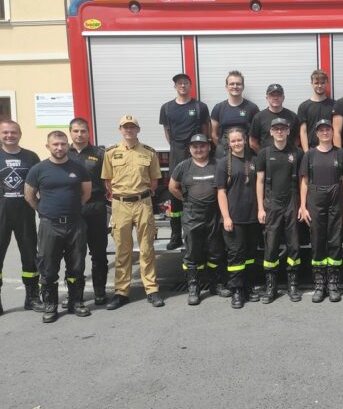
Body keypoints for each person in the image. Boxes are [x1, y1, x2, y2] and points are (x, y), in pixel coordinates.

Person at [0, 120, 44, 322]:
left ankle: (32, 297)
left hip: (24, 212)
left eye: (13, 132)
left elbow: (37, 182)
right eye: (5, 132)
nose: (9, 135)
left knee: (30, 254)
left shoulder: (31, 156)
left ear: (20, 134)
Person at [25, 131, 92, 323]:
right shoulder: (38, 169)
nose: (59, 148)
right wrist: (44, 211)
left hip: (75, 224)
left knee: (77, 265)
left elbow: (85, 194)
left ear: (67, 145)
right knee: (48, 267)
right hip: (49, 226)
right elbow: (29, 195)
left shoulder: (78, 168)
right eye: (55, 144)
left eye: (63, 144)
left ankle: (76, 302)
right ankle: (50, 306)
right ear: (48, 146)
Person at [101, 115, 164, 310]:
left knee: (147, 249)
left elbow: (154, 180)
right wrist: (121, 195)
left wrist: (141, 194)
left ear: (138, 130)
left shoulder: (149, 152)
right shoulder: (111, 153)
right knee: (123, 251)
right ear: (120, 130)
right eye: (125, 127)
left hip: (143, 203)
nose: (128, 130)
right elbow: (108, 181)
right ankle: (121, 292)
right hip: (120, 205)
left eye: (132, 127)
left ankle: (151, 290)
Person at [299, 119, 343, 303]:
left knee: (335, 240)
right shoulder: (309, 155)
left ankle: (333, 283)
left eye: (328, 129)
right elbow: (304, 182)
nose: (325, 133)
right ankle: (320, 284)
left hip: (337, 199)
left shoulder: (341, 154)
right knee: (317, 240)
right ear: (316, 134)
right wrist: (303, 206)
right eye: (321, 130)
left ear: (332, 131)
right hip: (315, 200)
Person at [169, 134, 224, 306]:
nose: (199, 149)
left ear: (208, 147)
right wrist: (185, 199)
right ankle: (194, 286)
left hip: (213, 214)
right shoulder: (183, 166)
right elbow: (173, 187)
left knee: (215, 250)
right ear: (190, 149)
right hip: (193, 215)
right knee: (193, 253)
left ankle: (216, 284)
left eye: (202, 146)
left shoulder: (217, 165)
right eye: (195, 146)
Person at [160, 73, 210, 250]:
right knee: (175, 193)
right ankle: (175, 236)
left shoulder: (200, 107)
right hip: (177, 152)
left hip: (196, 152)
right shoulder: (166, 108)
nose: (183, 85)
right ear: (175, 86)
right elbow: (167, 131)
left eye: (186, 83)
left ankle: (201, 233)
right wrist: (176, 148)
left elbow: (206, 131)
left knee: (199, 190)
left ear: (190, 86)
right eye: (179, 83)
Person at [256, 119, 304, 303]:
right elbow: (259, 182)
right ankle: (271, 287)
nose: (279, 132)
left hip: (292, 201)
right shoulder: (264, 154)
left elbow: (302, 181)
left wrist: (302, 205)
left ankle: (293, 285)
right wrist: (260, 207)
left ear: (288, 131)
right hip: (272, 203)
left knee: (294, 245)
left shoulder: (297, 153)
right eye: (276, 128)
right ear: (271, 131)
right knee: (271, 245)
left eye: (283, 128)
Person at [65, 117, 108, 307]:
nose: (79, 134)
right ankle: (75, 294)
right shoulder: (63, 153)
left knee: (98, 253)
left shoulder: (100, 154)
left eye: (83, 131)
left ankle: (100, 292)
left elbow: (109, 180)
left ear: (89, 132)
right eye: (76, 131)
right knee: (74, 253)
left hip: (96, 208)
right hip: (73, 210)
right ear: (70, 132)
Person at [216, 128, 260, 309]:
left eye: (239, 140)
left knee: (250, 255)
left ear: (245, 140)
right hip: (234, 218)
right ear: (229, 143)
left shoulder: (254, 162)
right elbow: (221, 192)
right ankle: (236, 290)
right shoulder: (223, 164)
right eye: (233, 141)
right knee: (235, 256)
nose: (237, 144)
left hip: (252, 218)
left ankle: (248, 287)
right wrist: (226, 217)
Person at [210, 70, 260, 158]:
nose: (235, 86)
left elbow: (256, 134)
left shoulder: (252, 108)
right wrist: (222, 147)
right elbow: (214, 135)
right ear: (226, 87)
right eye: (232, 84)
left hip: (246, 153)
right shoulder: (218, 108)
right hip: (223, 153)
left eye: (238, 84)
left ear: (243, 86)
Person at [250, 84, 300, 153]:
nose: (275, 98)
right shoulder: (259, 117)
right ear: (267, 98)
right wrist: (263, 156)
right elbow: (252, 142)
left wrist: (292, 153)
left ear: (283, 97)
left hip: (288, 159)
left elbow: (297, 138)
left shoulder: (292, 116)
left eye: (278, 95)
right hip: (267, 161)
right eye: (272, 95)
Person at [298, 69, 334, 152]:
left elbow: (336, 129)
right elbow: (303, 131)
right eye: (316, 83)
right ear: (311, 84)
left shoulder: (334, 105)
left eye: (322, 83)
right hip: (311, 150)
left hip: (330, 150)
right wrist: (307, 153)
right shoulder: (303, 106)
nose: (319, 86)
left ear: (327, 83)